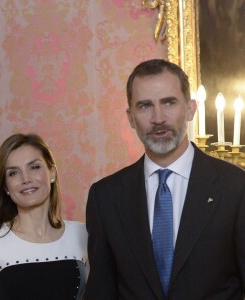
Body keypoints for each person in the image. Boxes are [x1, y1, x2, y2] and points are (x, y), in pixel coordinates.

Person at [85, 59, 245, 299]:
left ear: (190, 109)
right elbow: (101, 292)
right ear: (130, 118)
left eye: (169, 102)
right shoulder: (105, 197)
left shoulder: (235, 187)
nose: (158, 117)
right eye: (145, 106)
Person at [0, 133, 88, 300]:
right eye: (13, 173)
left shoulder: (82, 234)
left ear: (52, 172)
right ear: (5, 186)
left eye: (34, 167)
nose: (26, 179)